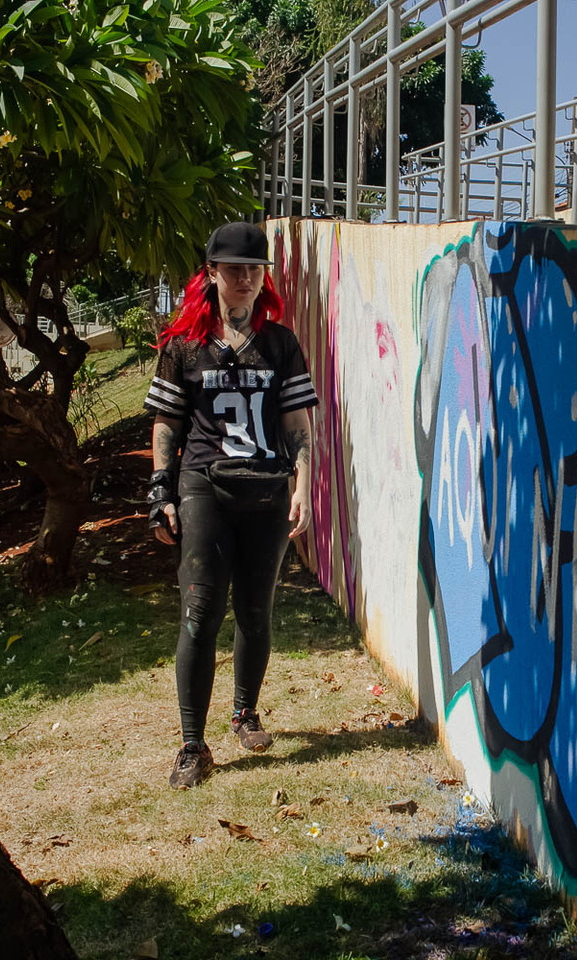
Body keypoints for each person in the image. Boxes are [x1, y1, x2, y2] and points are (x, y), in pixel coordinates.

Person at [144, 221, 317, 790]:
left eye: (254, 268)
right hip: (204, 485)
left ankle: (245, 712)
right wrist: (160, 491)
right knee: (201, 612)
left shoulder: (280, 344)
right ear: (211, 272)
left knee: (256, 611)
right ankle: (193, 744)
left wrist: (303, 481)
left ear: (264, 274)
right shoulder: (183, 346)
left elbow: (296, 422)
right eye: (233, 268)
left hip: (266, 487)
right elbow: (166, 423)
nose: (244, 278)